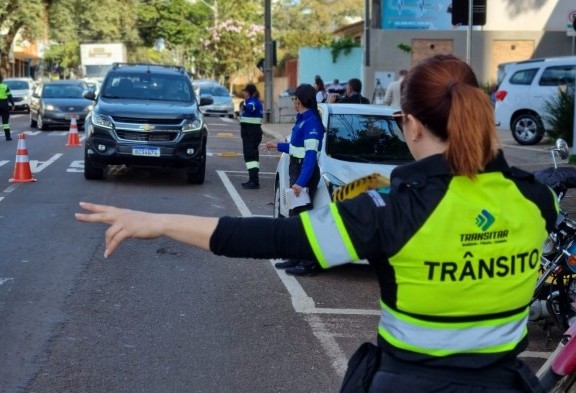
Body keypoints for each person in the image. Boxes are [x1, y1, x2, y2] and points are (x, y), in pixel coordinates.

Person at [75, 54, 557, 392]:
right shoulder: (538, 200)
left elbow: (273, 237)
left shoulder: (390, 210)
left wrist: (158, 221)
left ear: (409, 124)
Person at [265, 83, 324, 276]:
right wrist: (278, 145)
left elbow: (309, 156)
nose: (293, 101)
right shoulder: (302, 119)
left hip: (304, 172)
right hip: (297, 168)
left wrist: (301, 182)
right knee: (295, 216)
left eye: (294, 98)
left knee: (304, 219)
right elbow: (296, 148)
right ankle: (295, 257)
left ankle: (308, 263)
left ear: (299, 100)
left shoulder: (311, 122)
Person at [239, 83, 264, 189]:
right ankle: (253, 179)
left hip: (251, 132)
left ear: (249, 92)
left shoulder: (252, 101)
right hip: (251, 132)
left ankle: (254, 181)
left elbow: (251, 108)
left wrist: (243, 107)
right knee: (252, 156)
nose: (243, 93)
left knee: (250, 155)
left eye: (245, 91)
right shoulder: (254, 101)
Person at [0, 75, 15, 141]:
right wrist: (12, 104)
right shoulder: (5, 86)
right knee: (5, 122)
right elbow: (9, 96)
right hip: (4, 104)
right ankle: (8, 137)